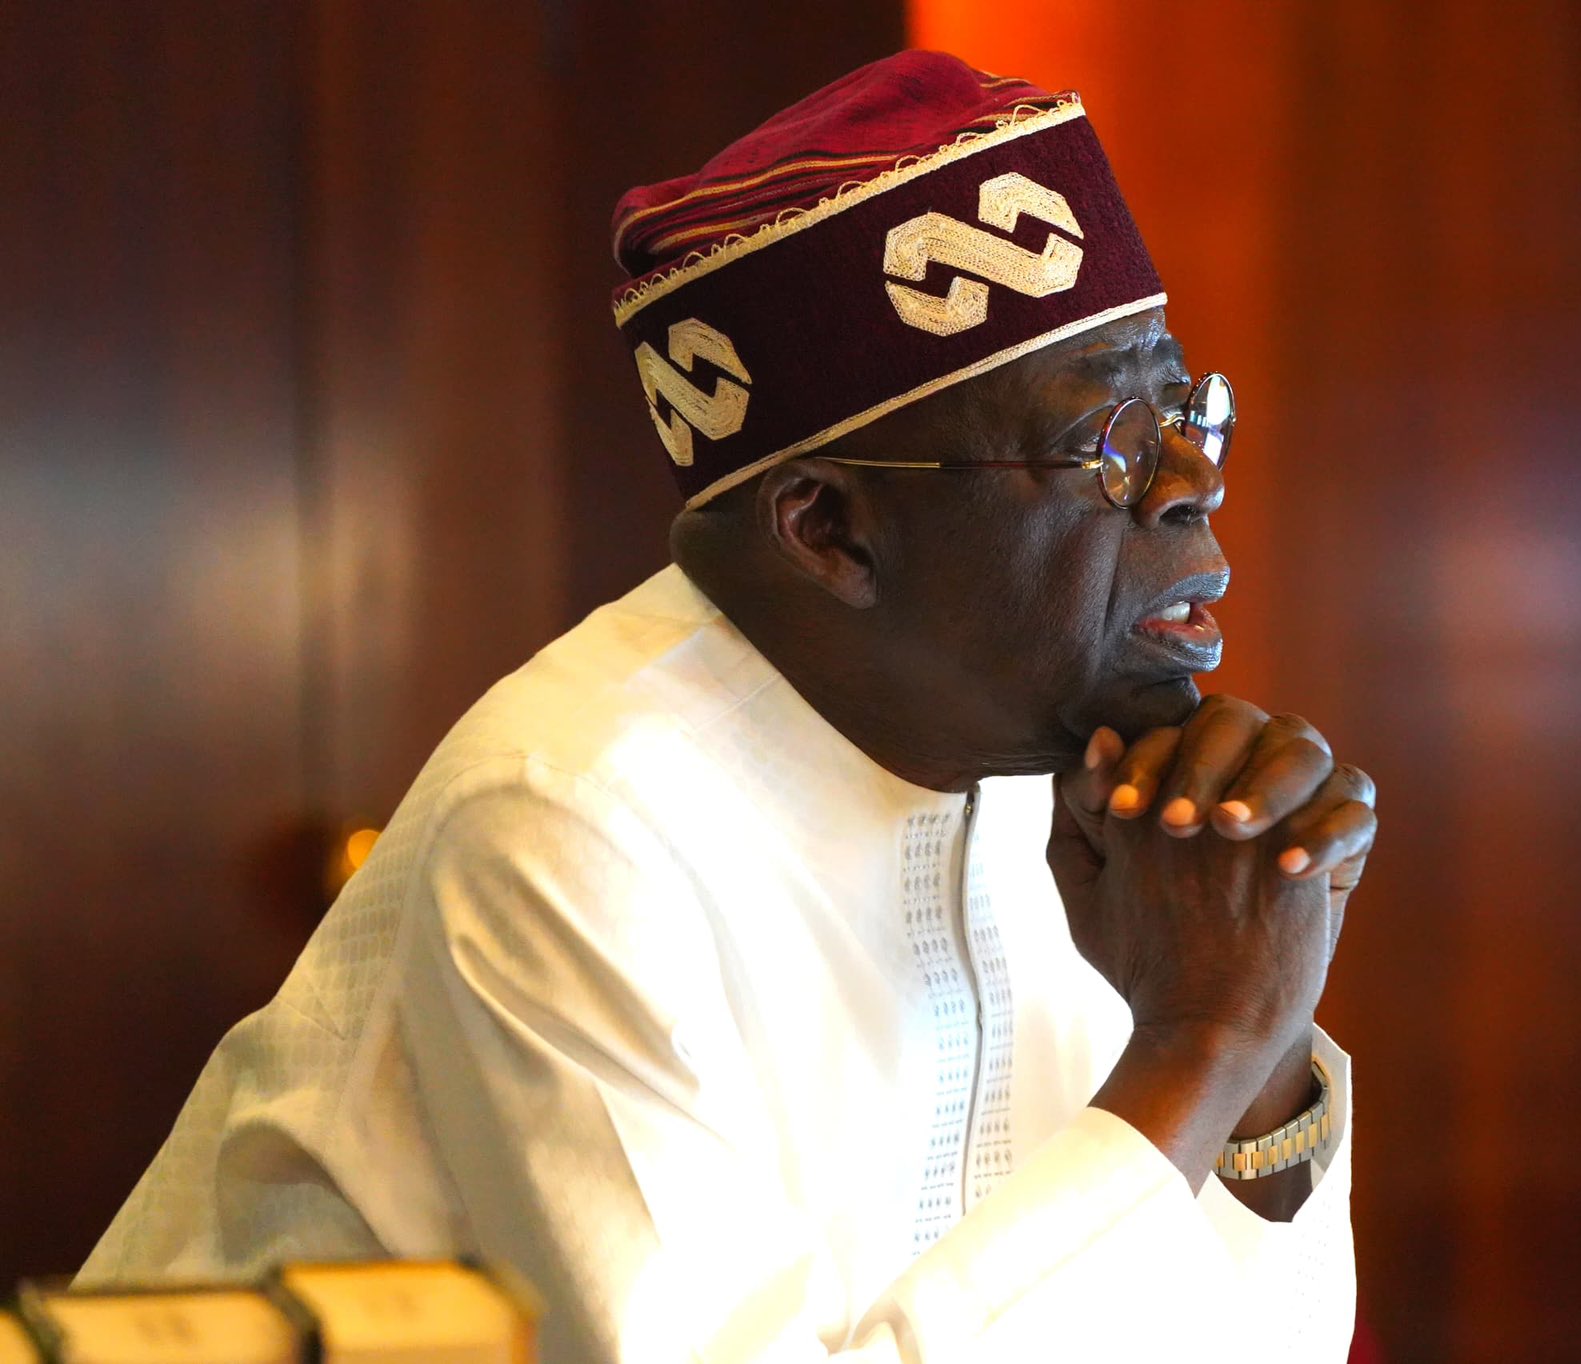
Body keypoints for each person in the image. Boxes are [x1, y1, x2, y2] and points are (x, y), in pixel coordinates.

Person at [79, 51, 1378, 1362]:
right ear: (830, 532)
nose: (1192, 479)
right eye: (1110, 443)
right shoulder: (575, 821)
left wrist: (1258, 1047)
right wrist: (1200, 1044)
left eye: (1185, 411)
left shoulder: (1073, 770)